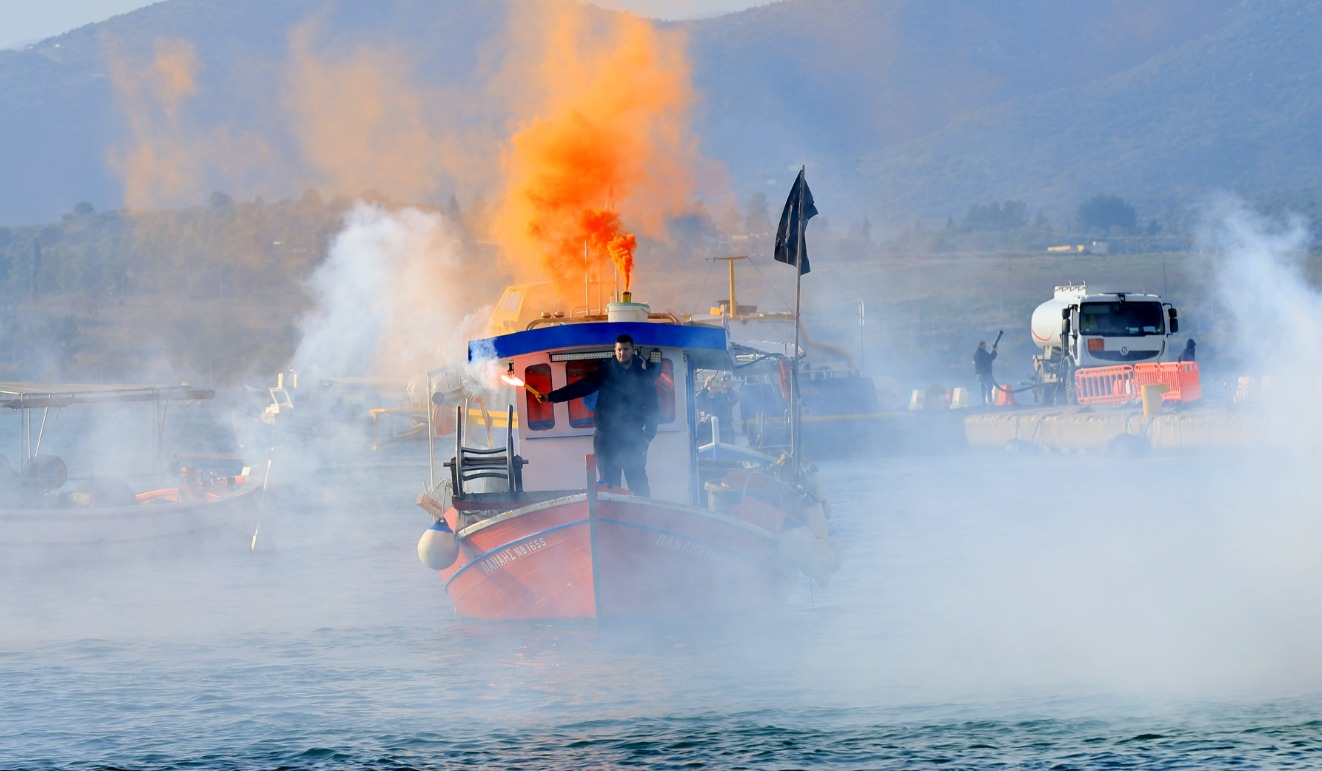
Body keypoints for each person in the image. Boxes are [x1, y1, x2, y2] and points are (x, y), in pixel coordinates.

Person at [538, 334, 658, 496]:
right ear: (615, 351)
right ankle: (612, 519)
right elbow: (580, 388)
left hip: (633, 438)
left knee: (638, 483)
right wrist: (551, 397)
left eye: (626, 349)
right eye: (619, 349)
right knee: (609, 485)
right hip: (606, 439)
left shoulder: (644, 377)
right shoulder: (605, 373)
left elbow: (653, 408)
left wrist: (647, 436)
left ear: (633, 351)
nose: (623, 353)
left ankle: (645, 518)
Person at [696, 374, 739, 444]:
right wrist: (704, 389)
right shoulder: (704, 399)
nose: (714, 387)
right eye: (711, 384)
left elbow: (735, 398)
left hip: (724, 431)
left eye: (716, 384)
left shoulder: (725, 398)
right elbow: (696, 401)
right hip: (707, 431)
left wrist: (727, 387)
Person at [973, 340, 998, 406]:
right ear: (981, 346)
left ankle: (983, 401)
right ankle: (990, 402)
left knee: (983, 387)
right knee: (989, 387)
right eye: (984, 345)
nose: (985, 347)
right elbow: (990, 358)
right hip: (985, 373)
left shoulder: (976, 353)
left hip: (978, 374)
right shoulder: (982, 353)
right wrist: (994, 350)